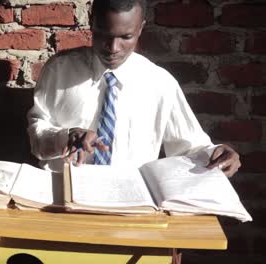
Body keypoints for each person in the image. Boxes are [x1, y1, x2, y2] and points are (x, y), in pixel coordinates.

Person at [27, 0, 241, 177]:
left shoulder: (160, 84)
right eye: (104, 35)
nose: (113, 48)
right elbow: (36, 139)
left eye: (125, 37)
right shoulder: (59, 70)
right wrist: (66, 136)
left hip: (131, 203)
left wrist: (217, 155)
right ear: (92, 23)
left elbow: (191, 148)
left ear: (141, 28)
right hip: (61, 196)